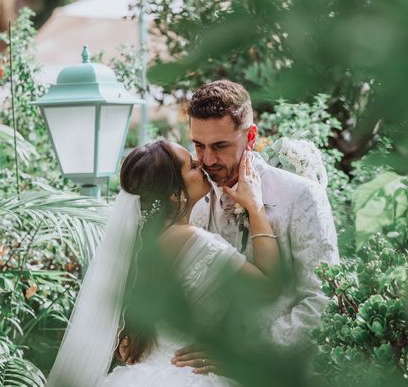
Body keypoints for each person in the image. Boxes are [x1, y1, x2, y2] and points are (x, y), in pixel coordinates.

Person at [18, 140, 280, 387]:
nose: (201, 165)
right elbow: (268, 285)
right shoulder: (195, 241)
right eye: (192, 167)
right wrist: (256, 207)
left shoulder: (137, 247)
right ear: (173, 193)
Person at [121, 80, 340, 371]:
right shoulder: (186, 200)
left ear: (250, 136)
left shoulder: (301, 196)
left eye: (220, 146)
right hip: (194, 385)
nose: (208, 160)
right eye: (198, 146)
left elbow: (322, 301)